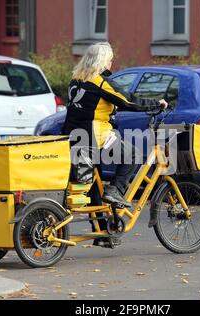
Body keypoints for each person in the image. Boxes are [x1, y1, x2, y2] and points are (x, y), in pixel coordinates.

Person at [62, 42, 167, 247]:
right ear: (102, 61)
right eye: (110, 59)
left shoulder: (76, 80)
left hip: (73, 136)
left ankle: (103, 234)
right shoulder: (100, 81)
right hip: (94, 136)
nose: (112, 62)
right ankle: (116, 190)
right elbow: (127, 101)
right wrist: (157, 104)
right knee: (134, 155)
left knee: (93, 184)